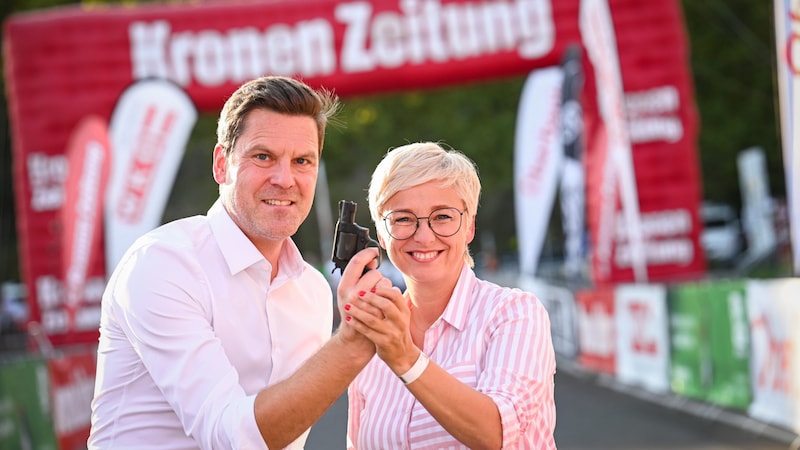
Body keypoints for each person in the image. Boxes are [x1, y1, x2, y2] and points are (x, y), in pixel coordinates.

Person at [88, 76, 389, 450]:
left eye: (302, 161)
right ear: (221, 165)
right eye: (263, 157)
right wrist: (351, 345)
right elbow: (230, 438)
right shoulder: (163, 264)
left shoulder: (312, 290)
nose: (285, 179)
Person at [343, 142, 557, 449]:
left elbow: (495, 432)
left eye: (442, 216)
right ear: (380, 234)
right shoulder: (372, 338)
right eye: (402, 219)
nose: (424, 235)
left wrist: (404, 358)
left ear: (469, 227)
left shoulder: (513, 313)